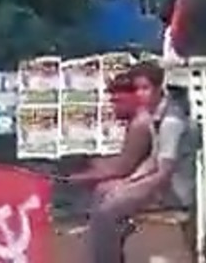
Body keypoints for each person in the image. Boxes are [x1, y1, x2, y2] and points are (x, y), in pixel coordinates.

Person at [79, 61, 196, 263]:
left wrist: (129, 190)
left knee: (108, 211)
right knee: (103, 192)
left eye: (145, 88)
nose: (141, 94)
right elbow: (152, 160)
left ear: (159, 89)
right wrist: (128, 182)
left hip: (175, 191)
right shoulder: (155, 115)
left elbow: (163, 174)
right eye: (137, 89)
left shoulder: (170, 121)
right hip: (161, 184)